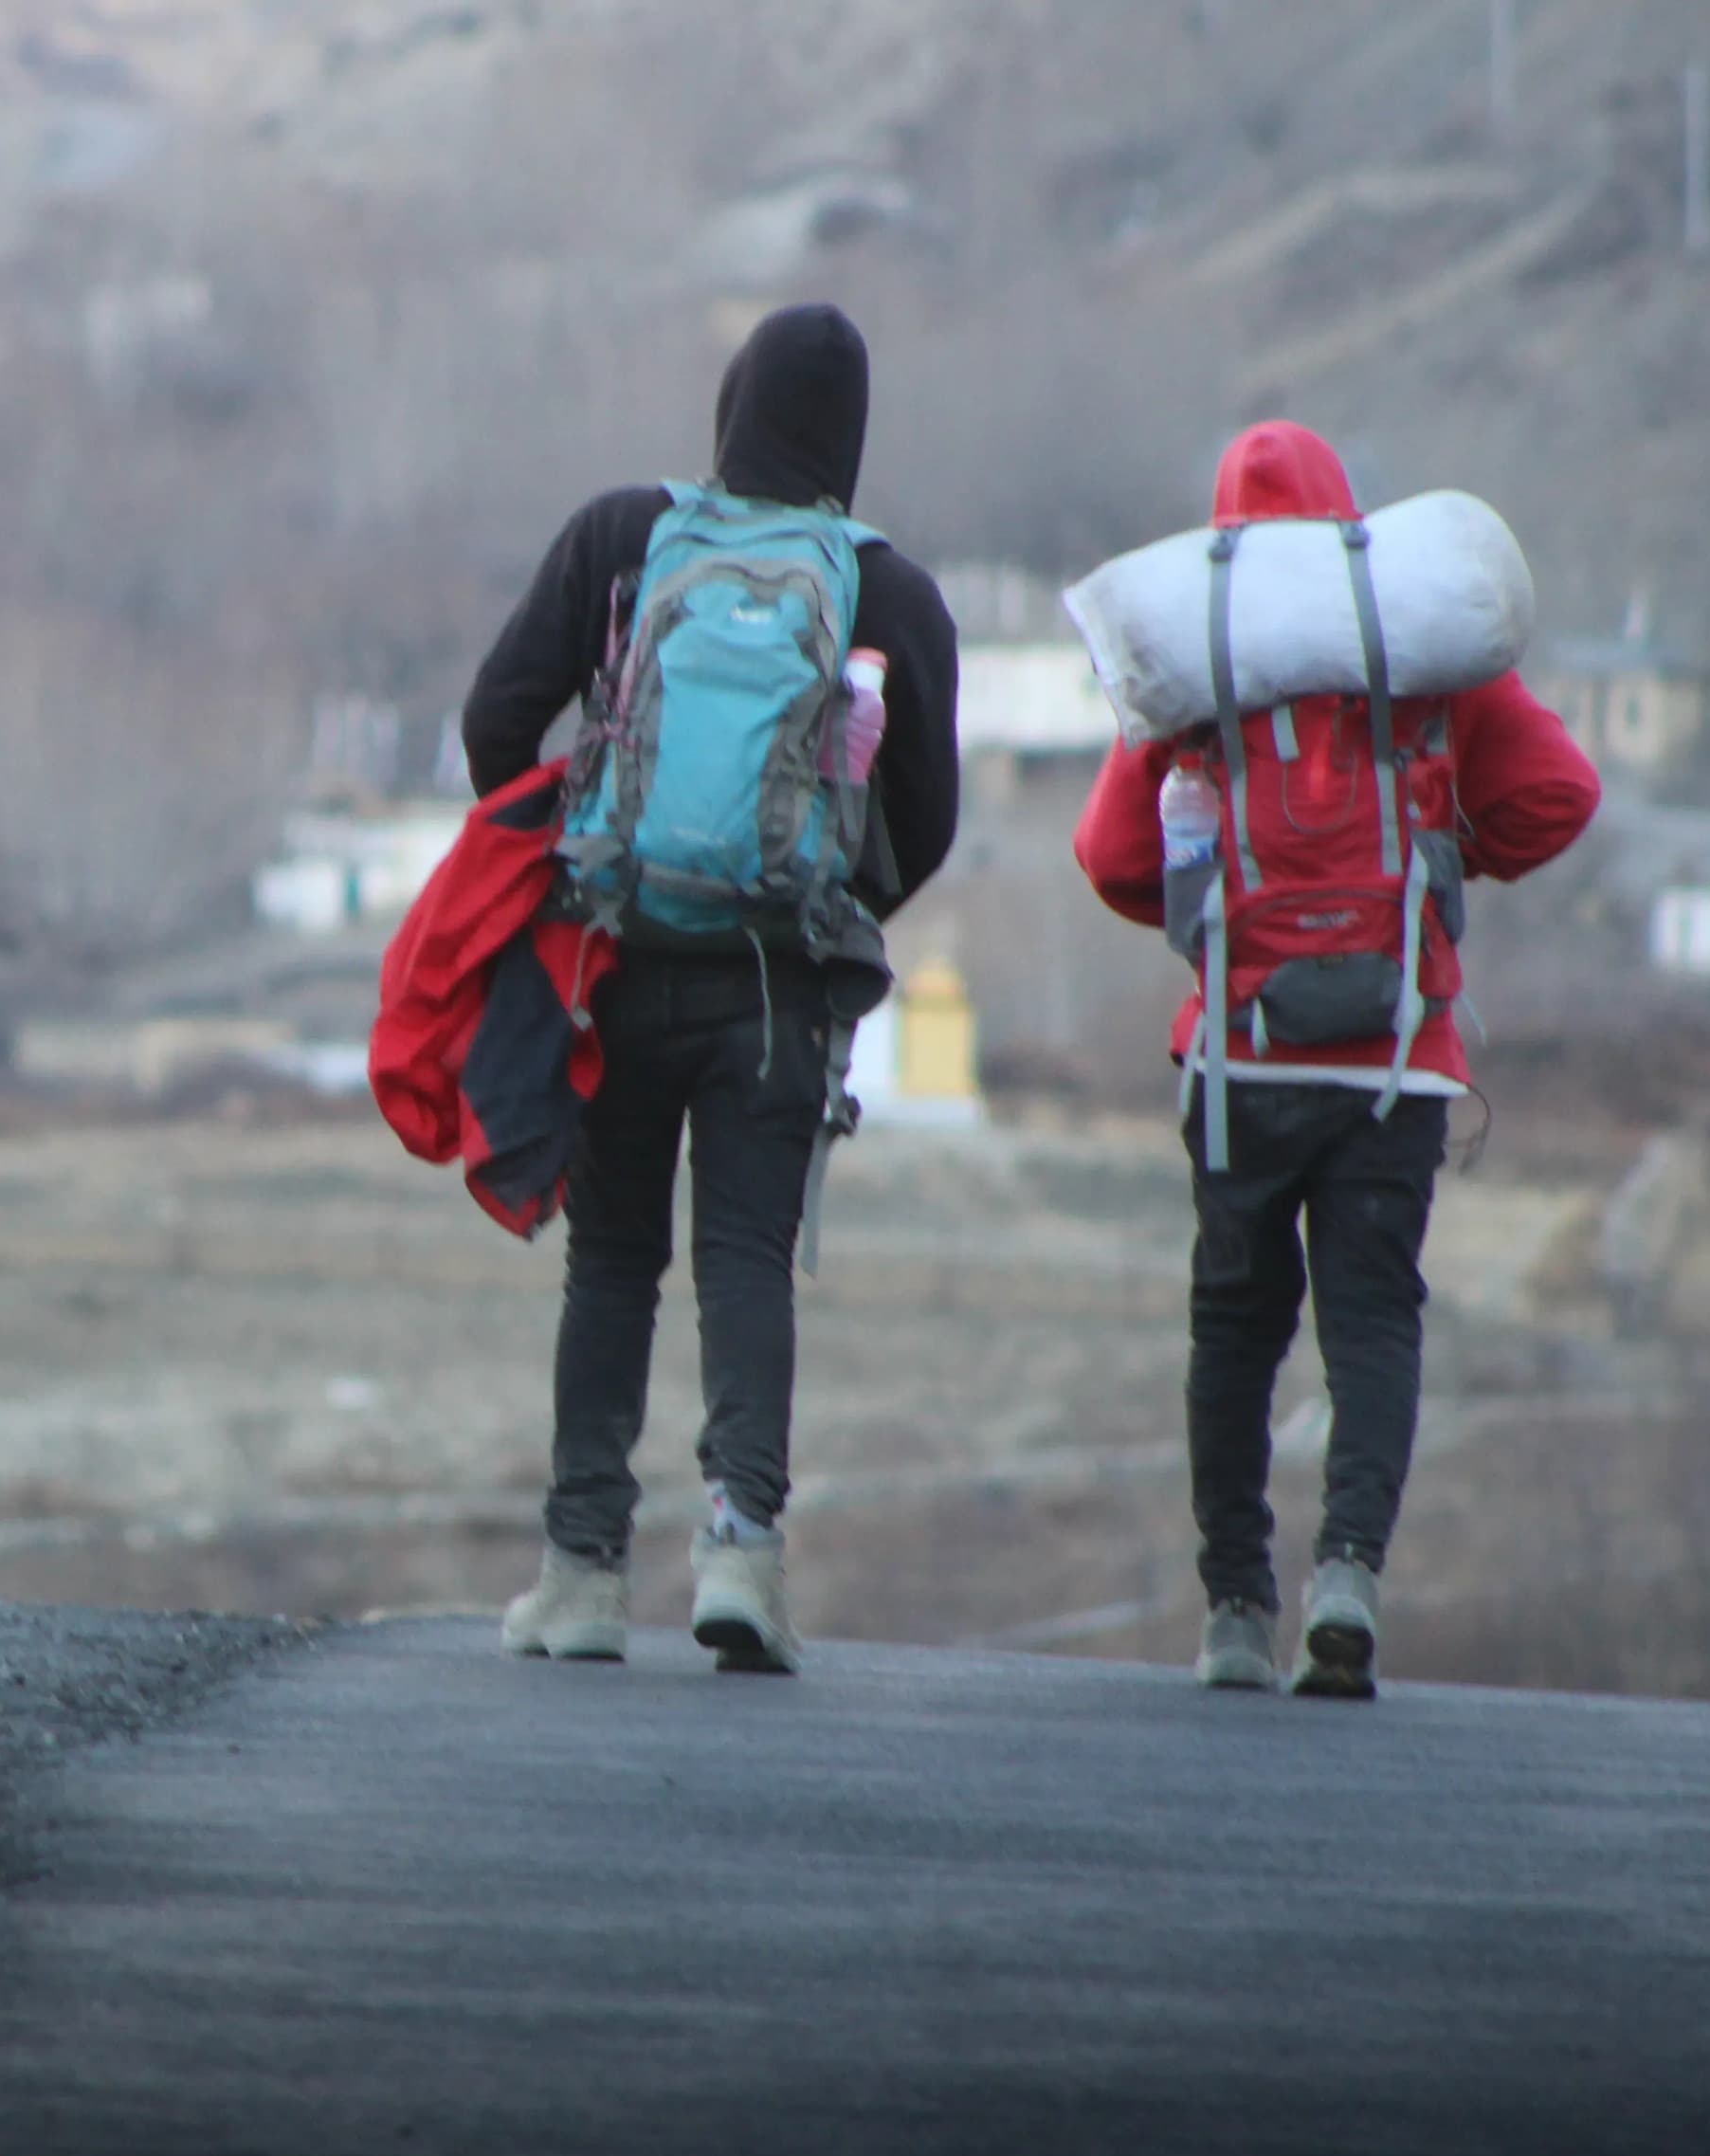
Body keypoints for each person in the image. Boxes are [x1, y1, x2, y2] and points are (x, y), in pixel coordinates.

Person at [460, 303, 962, 1672]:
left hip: (616, 960)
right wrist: (824, 915)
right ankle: (741, 1557)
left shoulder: (626, 539)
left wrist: (565, 852)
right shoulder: (885, 591)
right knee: (746, 1265)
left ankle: (578, 1579)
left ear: (730, 404)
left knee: (613, 1261)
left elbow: (494, 714)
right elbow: (929, 819)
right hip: (776, 994)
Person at [1073, 421, 1598, 1699]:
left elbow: (1108, 855)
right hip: (1393, 1067)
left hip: (1240, 1065)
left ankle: (1237, 1610)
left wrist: (1219, 924)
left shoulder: (1208, 656)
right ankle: (1348, 1576)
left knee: (1234, 1332)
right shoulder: (1419, 651)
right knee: (1371, 1324)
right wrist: (1440, 867)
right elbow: (1562, 794)